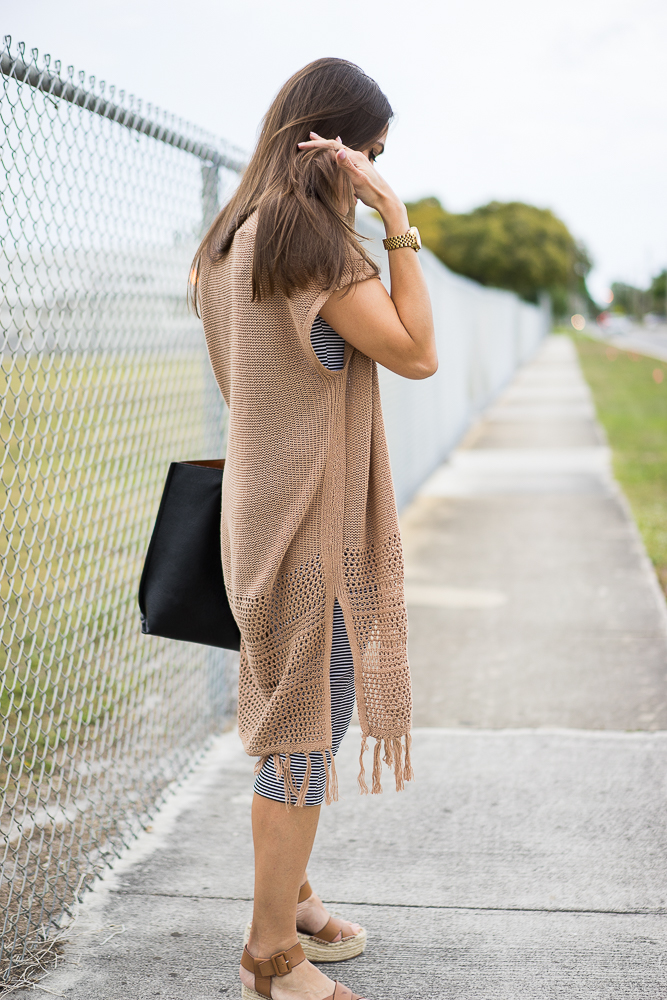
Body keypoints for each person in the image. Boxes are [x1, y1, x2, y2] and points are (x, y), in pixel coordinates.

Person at [191, 56, 436, 1000]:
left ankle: (290, 901)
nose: (370, 168)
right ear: (330, 144)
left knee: (288, 719)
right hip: (307, 528)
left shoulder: (230, 235)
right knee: (302, 734)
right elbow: (416, 351)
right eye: (368, 151)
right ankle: (269, 958)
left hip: (257, 512)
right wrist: (395, 219)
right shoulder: (311, 243)